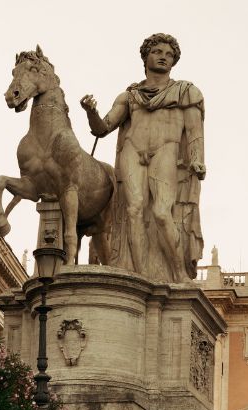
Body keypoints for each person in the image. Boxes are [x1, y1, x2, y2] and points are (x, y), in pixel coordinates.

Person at [81, 33, 205, 283]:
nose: (163, 57)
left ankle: (178, 271)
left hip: (165, 151)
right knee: (134, 210)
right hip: (132, 150)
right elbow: (102, 128)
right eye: (157, 52)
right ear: (146, 56)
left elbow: (194, 132)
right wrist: (91, 111)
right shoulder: (129, 96)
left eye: (169, 55)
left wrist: (197, 158)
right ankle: (138, 277)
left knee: (161, 212)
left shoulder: (186, 92)